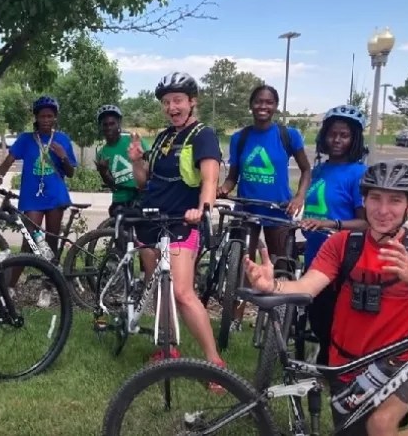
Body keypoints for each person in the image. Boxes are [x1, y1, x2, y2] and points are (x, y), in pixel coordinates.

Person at [245, 161, 408, 436]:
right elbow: (307, 286)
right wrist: (272, 285)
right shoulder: (343, 244)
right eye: (375, 198)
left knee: (380, 425)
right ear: (364, 200)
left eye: (395, 201)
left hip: (398, 362)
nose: (383, 210)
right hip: (346, 363)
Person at [127, 72, 225, 371]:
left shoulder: (203, 135)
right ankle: (167, 348)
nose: (172, 107)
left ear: (192, 102)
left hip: (181, 222)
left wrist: (202, 209)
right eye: (167, 102)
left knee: (182, 292)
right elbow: (144, 183)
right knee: (158, 285)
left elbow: (210, 180)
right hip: (151, 218)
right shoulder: (163, 137)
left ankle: (215, 364)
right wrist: (136, 161)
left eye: (178, 100)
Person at [218, 85, 312, 329]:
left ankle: (277, 319)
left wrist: (299, 197)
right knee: (243, 265)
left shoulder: (288, 135)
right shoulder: (240, 138)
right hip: (247, 209)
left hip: (278, 209)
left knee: (281, 264)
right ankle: (236, 317)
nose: (263, 106)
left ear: (275, 106)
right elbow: (233, 177)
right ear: (251, 105)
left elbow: (306, 170)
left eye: (269, 102)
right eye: (259, 101)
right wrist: (224, 188)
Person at [0, 96, 77, 306]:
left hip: (55, 196)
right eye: (42, 116)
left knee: (51, 241)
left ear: (55, 118)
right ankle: (11, 286)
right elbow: (9, 160)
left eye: (50, 116)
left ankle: (47, 287)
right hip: (32, 197)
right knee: (29, 239)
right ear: (36, 117)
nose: (46, 120)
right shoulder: (26, 139)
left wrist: (63, 156)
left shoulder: (62, 139)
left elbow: (70, 172)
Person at [299, 104, 369, 365]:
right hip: (314, 254)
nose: (337, 140)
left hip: (342, 259)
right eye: (332, 134)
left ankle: (331, 367)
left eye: (344, 135)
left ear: (354, 139)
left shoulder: (358, 174)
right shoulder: (319, 170)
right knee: (317, 315)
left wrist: (331, 224)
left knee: (330, 318)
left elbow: (366, 223)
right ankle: (325, 362)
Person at [95, 105, 146, 216]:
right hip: (120, 199)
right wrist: (103, 172)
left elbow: (151, 162)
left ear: (119, 123)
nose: (109, 128)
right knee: (117, 223)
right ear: (101, 127)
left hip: (142, 195)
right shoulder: (101, 153)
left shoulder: (132, 140)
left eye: (112, 124)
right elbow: (111, 184)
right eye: (105, 125)